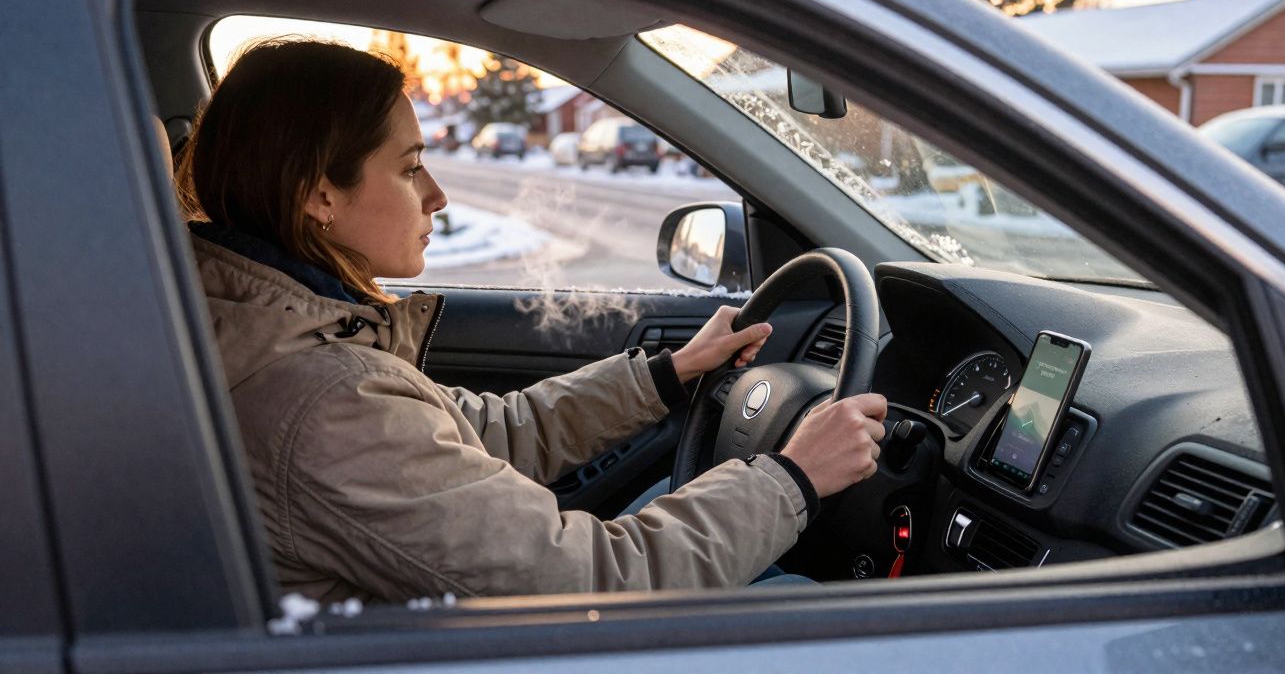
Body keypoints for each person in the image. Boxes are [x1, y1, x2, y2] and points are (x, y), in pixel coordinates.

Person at [178, 38, 887, 603]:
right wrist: (791, 477)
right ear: (318, 195)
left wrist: (666, 377)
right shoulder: (321, 400)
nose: (438, 195)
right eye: (410, 167)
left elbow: (488, 434)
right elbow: (587, 585)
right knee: (814, 610)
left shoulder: (283, 331)